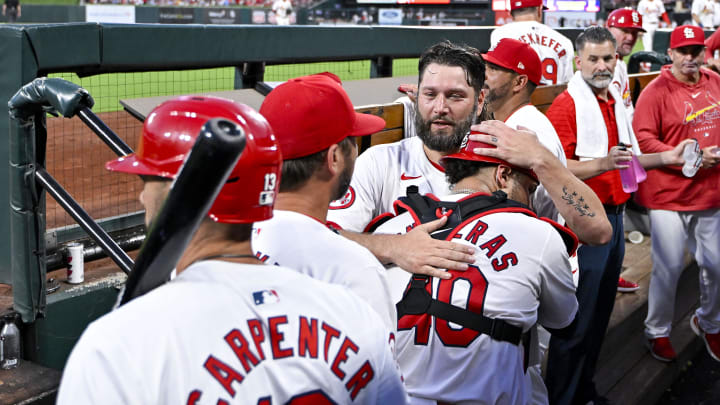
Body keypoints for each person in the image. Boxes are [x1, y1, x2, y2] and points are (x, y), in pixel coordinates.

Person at [57, 96, 407, 404]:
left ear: (174, 195)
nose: (140, 197)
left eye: (146, 182)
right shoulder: (352, 314)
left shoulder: (118, 345)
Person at [327, 40, 612, 279]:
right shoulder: (382, 161)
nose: (440, 108)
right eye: (430, 95)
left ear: (479, 101)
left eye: (455, 96)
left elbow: (597, 232)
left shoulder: (509, 161)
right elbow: (327, 236)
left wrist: (543, 160)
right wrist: (394, 246)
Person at [543, 26, 688, 405]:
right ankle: (564, 398)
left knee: (598, 317)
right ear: (579, 62)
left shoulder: (613, 100)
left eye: (609, 58)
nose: (603, 65)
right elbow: (556, 168)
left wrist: (667, 157)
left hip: (616, 219)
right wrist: (604, 162)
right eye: (594, 59)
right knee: (577, 322)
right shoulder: (567, 104)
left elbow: (630, 159)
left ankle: (584, 391)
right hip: (585, 225)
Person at [373, 138, 579, 404]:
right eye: (530, 190)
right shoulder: (538, 232)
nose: (530, 201)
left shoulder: (388, 231)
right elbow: (563, 322)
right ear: (502, 175)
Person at [252, 73, 396, 332]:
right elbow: (382, 372)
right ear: (334, 159)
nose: (356, 151)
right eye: (352, 142)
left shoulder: (217, 246)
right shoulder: (356, 272)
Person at [633, 24, 720, 363]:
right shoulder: (656, 91)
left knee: (716, 266)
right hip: (667, 193)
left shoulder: (715, 84)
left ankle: (709, 321)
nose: (689, 57)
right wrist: (691, 155)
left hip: (710, 190)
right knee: (668, 266)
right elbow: (644, 142)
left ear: (703, 52)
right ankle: (657, 331)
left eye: (695, 50)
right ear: (670, 53)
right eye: (682, 51)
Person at [606, 7, 648, 293]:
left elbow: (626, 111)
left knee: (617, 217)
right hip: (602, 153)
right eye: (625, 30)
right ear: (609, 28)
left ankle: (611, 273)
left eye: (635, 32)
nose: (631, 36)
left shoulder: (621, 64)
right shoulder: (602, 63)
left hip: (621, 150)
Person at [490, 0, 575, 85]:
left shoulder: (500, 34)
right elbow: (568, 85)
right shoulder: (564, 41)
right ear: (539, 10)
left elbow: (494, 77)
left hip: (517, 96)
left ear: (511, 13)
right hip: (552, 96)